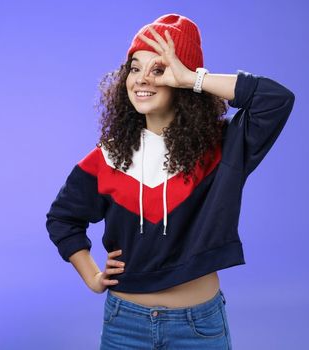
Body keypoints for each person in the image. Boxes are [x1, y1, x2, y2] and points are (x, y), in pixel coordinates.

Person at [44, 13, 295, 349]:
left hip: (198, 328)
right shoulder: (107, 157)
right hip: (124, 325)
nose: (141, 79)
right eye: (134, 68)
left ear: (180, 78)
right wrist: (91, 274)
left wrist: (193, 78)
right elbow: (62, 218)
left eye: (158, 69)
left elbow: (275, 99)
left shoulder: (225, 148)